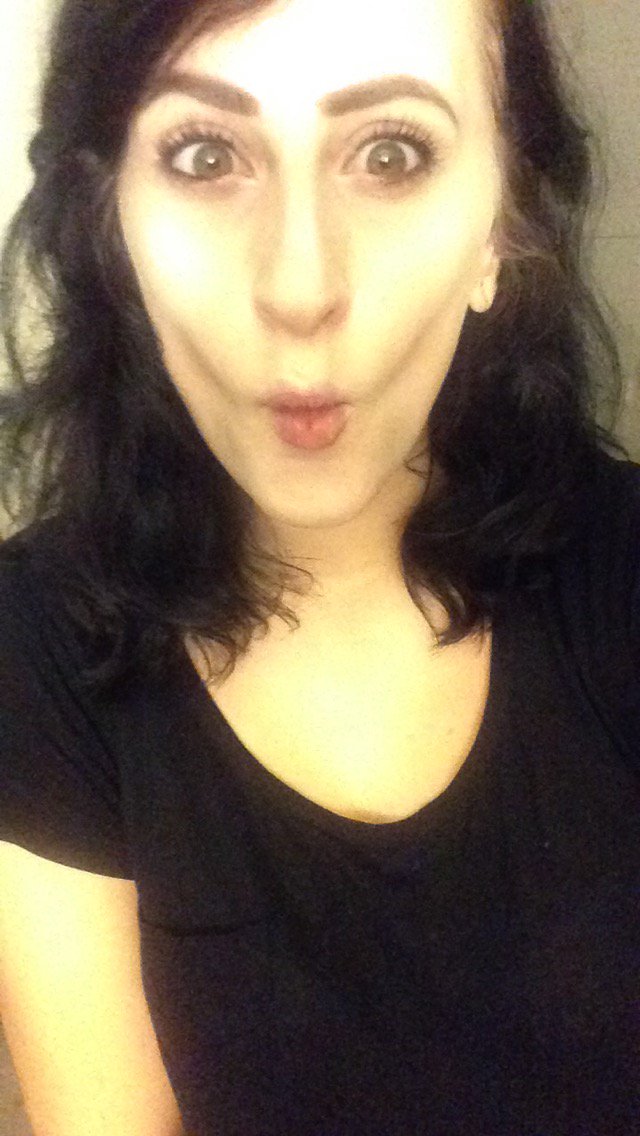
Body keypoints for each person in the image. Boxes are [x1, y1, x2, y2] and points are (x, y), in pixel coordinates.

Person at [0, 0, 638, 1133]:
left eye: (391, 154)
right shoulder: (32, 643)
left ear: (499, 231)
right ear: (115, 226)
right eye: (205, 156)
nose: (299, 288)